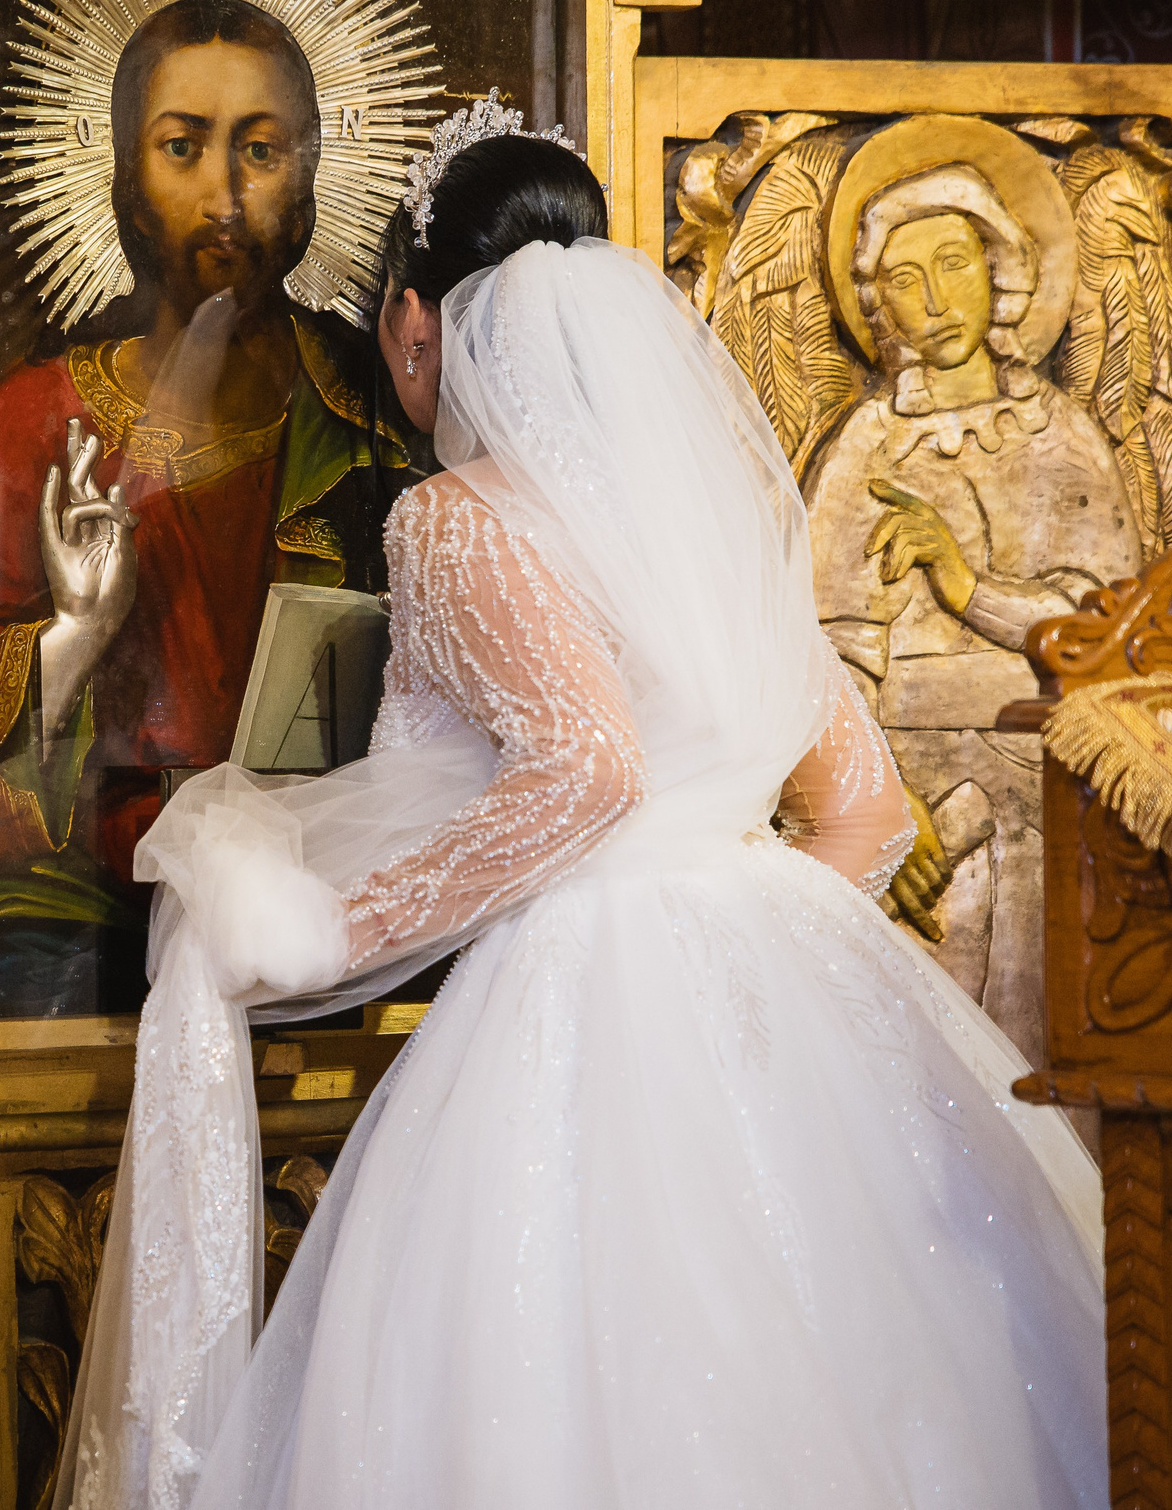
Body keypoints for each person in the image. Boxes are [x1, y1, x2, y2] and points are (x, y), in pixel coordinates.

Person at [54, 103, 1106, 1510]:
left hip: (580, 1006)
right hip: (805, 979)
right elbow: (862, 806)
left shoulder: (454, 516)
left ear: (416, 325)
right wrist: (759, 963)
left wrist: (324, 927)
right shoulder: (710, 521)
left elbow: (586, 768)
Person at [0, 0, 415, 1019]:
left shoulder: (366, 412)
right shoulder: (37, 420)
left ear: (312, 174)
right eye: (182, 147)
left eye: (261, 150)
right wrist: (71, 635)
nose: (223, 193)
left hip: (326, 873)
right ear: (128, 183)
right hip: (82, 886)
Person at [802, 162, 1140, 1063]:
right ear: (878, 304)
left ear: (1000, 271)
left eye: (954, 263)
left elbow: (1104, 633)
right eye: (905, 281)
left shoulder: (1064, 435)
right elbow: (825, 649)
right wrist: (880, 800)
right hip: (913, 802)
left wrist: (965, 588)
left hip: (1053, 793)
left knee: (1044, 1055)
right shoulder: (866, 447)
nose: (935, 298)